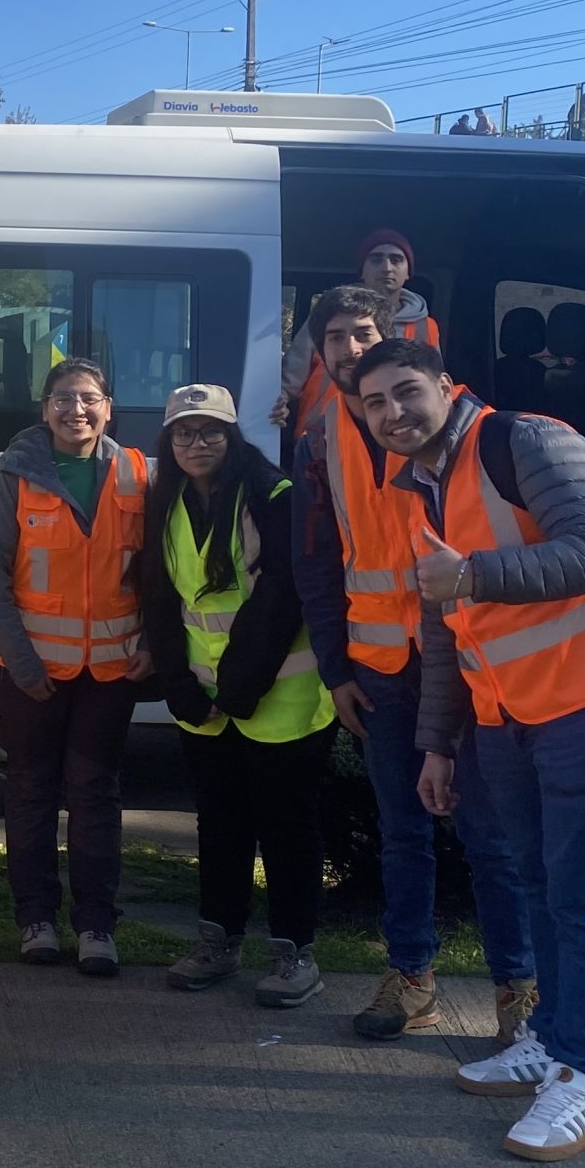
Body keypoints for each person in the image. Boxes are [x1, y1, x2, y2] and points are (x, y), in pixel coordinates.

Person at [357, 338, 585, 1163]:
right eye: (375, 404)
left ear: (444, 385)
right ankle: (549, 1036)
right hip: (505, 710)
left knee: (579, 890)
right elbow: (439, 624)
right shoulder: (415, 487)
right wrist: (436, 744)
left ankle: (584, 1078)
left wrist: (470, 575)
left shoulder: (525, 440)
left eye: (406, 392)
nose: (393, 413)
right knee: (535, 878)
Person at [288, 286, 534, 1045]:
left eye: (362, 332)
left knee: (492, 835)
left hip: (464, 656)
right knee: (404, 832)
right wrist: (334, 669)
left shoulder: (456, 422)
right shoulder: (318, 437)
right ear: (319, 353)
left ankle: (518, 991)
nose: (349, 348)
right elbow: (316, 563)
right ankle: (412, 980)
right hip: (378, 666)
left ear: (391, 334)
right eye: (333, 337)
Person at [139, 384, 334, 1003]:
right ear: (169, 442)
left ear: (232, 436)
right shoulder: (164, 503)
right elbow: (162, 602)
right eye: (184, 432)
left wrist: (238, 690)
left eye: (210, 431)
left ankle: (293, 954)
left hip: (282, 695)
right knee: (220, 825)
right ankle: (217, 941)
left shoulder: (274, 496)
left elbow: (282, 599)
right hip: (206, 700)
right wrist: (181, 690)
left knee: (287, 828)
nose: (197, 443)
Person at [0, 358, 147, 977]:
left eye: (89, 398)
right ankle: (36, 920)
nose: (77, 410)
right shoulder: (12, 475)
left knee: (96, 794)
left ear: (108, 407)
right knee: (32, 792)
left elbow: (157, 568)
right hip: (30, 671)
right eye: (64, 399)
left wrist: (149, 643)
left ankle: (97, 924)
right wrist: (19, 661)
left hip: (111, 669)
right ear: (44, 409)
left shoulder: (137, 472)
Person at [273, 228, 440, 434]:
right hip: (320, 434)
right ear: (362, 270)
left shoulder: (426, 326)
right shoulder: (329, 313)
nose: (386, 267)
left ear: (408, 272)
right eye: (376, 260)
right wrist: (278, 402)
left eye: (396, 260)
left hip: (397, 433)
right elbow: (291, 376)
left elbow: (433, 384)